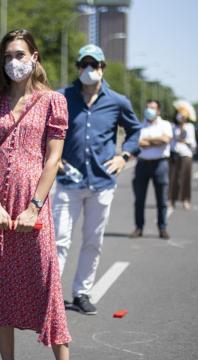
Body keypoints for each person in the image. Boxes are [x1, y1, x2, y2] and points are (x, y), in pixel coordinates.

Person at [0, 29, 71, 360]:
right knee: (0, 287)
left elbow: (53, 158)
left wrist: (35, 207)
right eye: (8, 56)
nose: (13, 61)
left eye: (19, 55)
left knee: (46, 285)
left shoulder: (52, 101)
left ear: (34, 57)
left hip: (32, 203)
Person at [53, 44, 142, 316]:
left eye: (95, 65)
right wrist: (52, 158)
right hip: (67, 181)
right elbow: (43, 128)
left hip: (102, 183)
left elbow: (135, 130)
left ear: (103, 68)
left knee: (93, 240)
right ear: (78, 68)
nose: (90, 70)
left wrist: (124, 157)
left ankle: (81, 292)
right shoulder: (61, 97)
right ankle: (50, 294)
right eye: (85, 64)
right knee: (58, 239)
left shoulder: (117, 101)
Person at [130, 100, 172, 240]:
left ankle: (162, 227)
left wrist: (148, 140)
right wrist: (156, 141)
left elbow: (166, 139)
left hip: (160, 164)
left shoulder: (165, 124)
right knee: (139, 199)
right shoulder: (139, 125)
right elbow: (137, 142)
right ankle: (139, 227)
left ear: (158, 111)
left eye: (153, 108)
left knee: (162, 199)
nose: (150, 110)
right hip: (142, 164)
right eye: (148, 108)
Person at [168, 103, 196, 210]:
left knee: (185, 178)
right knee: (172, 178)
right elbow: (170, 140)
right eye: (180, 115)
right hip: (174, 154)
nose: (181, 117)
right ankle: (171, 200)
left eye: (183, 115)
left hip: (186, 155)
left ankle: (186, 199)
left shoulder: (190, 127)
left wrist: (183, 139)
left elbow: (192, 143)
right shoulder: (172, 126)